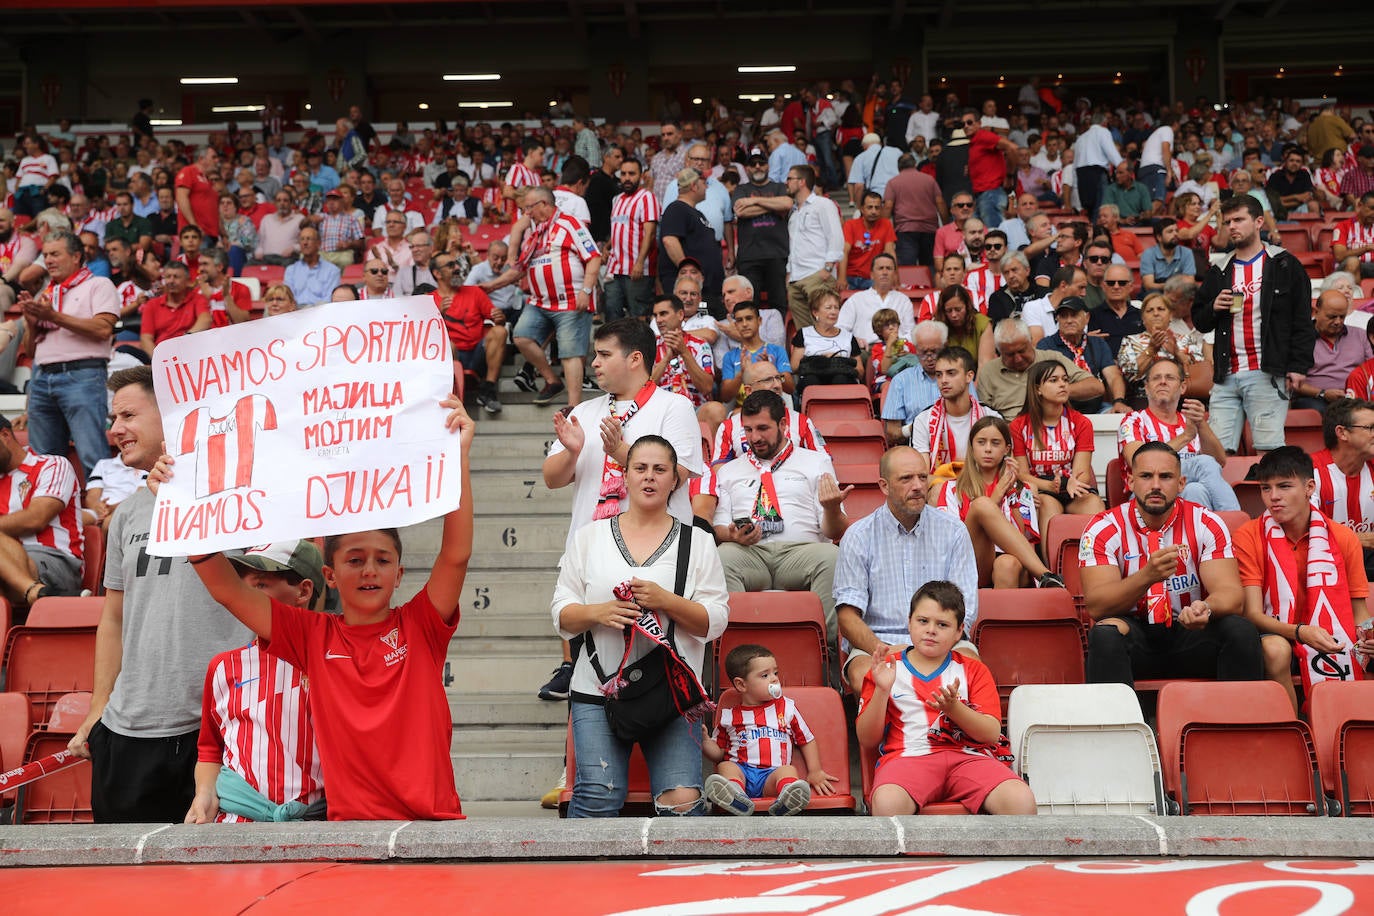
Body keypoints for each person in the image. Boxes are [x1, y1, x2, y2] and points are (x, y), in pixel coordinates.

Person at [171, 396, 475, 821]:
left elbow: (456, 555)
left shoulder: (421, 624)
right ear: (330, 575)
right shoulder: (312, 635)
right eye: (354, 560)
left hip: (432, 823)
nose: (370, 570)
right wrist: (183, 501)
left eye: (382, 560)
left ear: (400, 573)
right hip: (348, 833)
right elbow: (228, 590)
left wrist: (458, 457)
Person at [67, 367, 253, 822]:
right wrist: (98, 708)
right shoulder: (127, 515)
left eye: (128, 414)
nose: (114, 430)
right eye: (113, 418)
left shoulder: (241, 494)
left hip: (219, 730)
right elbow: (113, 618)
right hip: (126, 732)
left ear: (171, 414)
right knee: (122, 890)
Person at [554, 435, 727, 818]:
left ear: (674, 481)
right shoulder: (589, 537)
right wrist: (598, 612)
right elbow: (561, 612)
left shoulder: (697, 541)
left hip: (671, 692)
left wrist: (668, 602)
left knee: (682, 802)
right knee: (598, 796)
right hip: (597, 687)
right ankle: (578, 878)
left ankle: (678, 879)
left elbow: (715, 621)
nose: (649, 477)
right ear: (625, 477)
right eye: (641, 468)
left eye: (660, 470)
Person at [539, 319, 704, 702]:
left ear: (634, 359)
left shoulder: (674, 407)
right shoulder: (586, 409)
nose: (593, 363)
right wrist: (573, 451)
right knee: (588, 668)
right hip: (591, 550)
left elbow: (675, 477)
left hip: (656, 556)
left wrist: (621, 453)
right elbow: (551, 478)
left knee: (656, 674)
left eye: (603, 354)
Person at [1080, 441, 1260, 687]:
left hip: (1190, 631)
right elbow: (1097, 606)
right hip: (1134, 633)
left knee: (1240, 630)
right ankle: (1121, 725)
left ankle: (1237, 723)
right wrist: (1147, 576)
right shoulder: (1103, 527)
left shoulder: (1206, 522)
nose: (1155, 485)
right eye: (1146, 476)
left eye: (1165, 477)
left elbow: (1231, 596)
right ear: (1131, 482)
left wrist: (1205, 609)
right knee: (1104, 635)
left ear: (1181, 483)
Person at [855, 580, 1036, 817]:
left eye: (942, 624)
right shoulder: (886, 669)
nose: (931, 630)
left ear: (959, 631)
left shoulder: (974, 670)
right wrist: (881, 690)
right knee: (888, 803)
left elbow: (991, 733)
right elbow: (867, 739)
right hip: (908, 758)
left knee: (1020, 800)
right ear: (909, 622)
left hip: (967, 759)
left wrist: (954, 709)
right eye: (923, 621)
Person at [185, 541, 327, 824]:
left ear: (304, 590)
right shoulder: (223, 666)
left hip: (316, 827)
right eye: (242, 582)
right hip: (235, 826)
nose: (245, 594)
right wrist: (204, 793)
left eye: (261, 584)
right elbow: (211, 748)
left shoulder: (335, 658)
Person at [1234, 447, 1372, 712]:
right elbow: (1251, 613)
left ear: (1310, 487)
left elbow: (1359, 610)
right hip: (1274, 632)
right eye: (1266, 488)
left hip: (1330, 632)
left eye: (1284, 486)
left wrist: (1369, 635)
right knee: (1276, 650)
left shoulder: (1343, 537)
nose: (1274, 497)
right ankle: (1292, 731)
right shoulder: (1248, 535)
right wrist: (1300, 632)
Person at [834, 447, 980, 694]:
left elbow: (964, 609)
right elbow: (847, 617)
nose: (918, 486)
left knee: (972, 672)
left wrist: (932, 647)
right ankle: (888, 734)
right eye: (906, 478)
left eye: (923, 478)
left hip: (942, 640)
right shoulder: (858, 536)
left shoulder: (954, 531)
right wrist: (883, 648)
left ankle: (948, 734)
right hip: (880, 642)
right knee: (864, 676)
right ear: (884, 486)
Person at [712, 391, 847, 643]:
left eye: (763, 428)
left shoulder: (816, 462)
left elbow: (835, 533)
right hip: (750, 555)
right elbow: (718, 527)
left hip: (801, 553)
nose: (755, 437)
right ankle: (732, 650)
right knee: (721, 556)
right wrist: (732, 534)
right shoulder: (729, 471)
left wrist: (831, 508)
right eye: (748, 430)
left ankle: (824, 651)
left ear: (783, 424)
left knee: (832, 556)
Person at [1193, 196, 1314, 454]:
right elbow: (1199, 321)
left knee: (1268, 451)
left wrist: (1298, 366)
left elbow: (1302, 320)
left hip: (1267, 371)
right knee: (1215, 453)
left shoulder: (1285, 264)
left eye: (1239, 219)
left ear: (1259, 221)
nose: (1232, 226)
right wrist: (1214, 307)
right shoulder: (1219, 269)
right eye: (1227, 222)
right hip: (1225, 374)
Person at [485, 187, 600, 407]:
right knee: (521, 336)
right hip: (540, 302)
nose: (526, 213)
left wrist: (586, 290)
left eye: (529, 208)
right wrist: (491, 286)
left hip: (571, 301)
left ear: (544, 205)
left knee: (570, 353)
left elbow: (594, 257)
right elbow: (519, 268)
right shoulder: (536, 233)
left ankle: (573, 407)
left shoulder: (570, 224)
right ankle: (552, 380)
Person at [19, 230, 120, 479]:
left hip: (82, 375)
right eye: (45, 255)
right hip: (42, 378)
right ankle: (51, 516)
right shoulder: (46, 294)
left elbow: (103, 328)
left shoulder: (99, 285)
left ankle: (102, 514)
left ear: (76, 256)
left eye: (55, 254)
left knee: (91, 454)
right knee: (44, 461)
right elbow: (30, 350)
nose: (48, 260)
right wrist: (32, 323)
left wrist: (53, 317)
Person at [702, 643, 837, 817]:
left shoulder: (786, 708)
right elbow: (718, 752)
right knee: (725, 766)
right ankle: (735, 796)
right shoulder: (730, 716)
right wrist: (705, 741)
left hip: (772, 775)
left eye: (775, 673)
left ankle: (787, 799)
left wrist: (815, 771)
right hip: (741, 770)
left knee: (788, 771)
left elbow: (806, 739)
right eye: (765, 675)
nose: (774, 679)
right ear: (741, 685)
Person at [929, 416, 1062, 589]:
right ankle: (1046, 574)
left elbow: (1024, 538)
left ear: (1007, 449)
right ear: (972, 447)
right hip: (968, 564)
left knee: (1007, 564)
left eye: (996, 443)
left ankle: (1045, 580)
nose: (988, 449)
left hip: (1015, 566)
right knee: (982, 504)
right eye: (981, 442)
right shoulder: (950, 488)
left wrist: (1012, 494)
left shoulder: (1022, 490)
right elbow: (953, 542)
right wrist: (997, 496)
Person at [1119, 355, 1238, 513]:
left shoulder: (1190, 420)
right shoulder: (1134, 420)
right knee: (1202, 463)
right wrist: (1186, 437)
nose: (1163, 381)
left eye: (1170, 377)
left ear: (1182, 387)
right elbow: (1139, 461)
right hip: (1147, 495)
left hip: (1185, 492)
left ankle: (1198, 537)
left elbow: (1219, 462)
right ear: (1146, 387)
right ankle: (1235, 523)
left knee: (1195, 490)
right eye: (1156, 378)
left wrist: (1201, 424)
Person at [0, 412, 84, 607]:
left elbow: (36, 518)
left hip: (53, 561)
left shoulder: (52, 465)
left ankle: (32, 591)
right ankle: (36, 593)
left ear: (5, 435)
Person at [1011, 360, 1104, 535]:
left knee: (1095, 504)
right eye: (1053, 380)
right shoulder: (1019, 425)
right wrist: (1049, 485)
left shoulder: (1081, 423)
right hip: (1041, 490)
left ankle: (1096, 559)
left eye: (1065, 379)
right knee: (1048, 508)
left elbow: (1082, 473)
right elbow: (1021, 474)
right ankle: (1050, 563)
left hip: (1072, 487)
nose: (1062, 384)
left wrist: (1069, 484)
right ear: (1037, 388)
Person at [977, 318, 1102, 420]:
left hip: (1050, 430)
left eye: (1022, 351)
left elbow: (1096, 387)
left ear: (1031, 341)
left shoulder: (1051, 358)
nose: (1018, 359)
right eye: (1010, 354)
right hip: (1009, 434)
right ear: (999, 351)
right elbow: (983, 415)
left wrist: (1055, 391)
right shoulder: (989, 371)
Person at [433, 252, 506, 415]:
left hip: (477, 354)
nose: (457, 268)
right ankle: (451, 401)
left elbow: (496, 319)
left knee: (500, 331)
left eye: (456, 264)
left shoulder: (474, 292)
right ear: (437, 274)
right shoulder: (429, 299)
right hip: (450, 356)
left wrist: (500, 318)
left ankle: (488, 389)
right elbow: (423, 335)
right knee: (448, 345)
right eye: (450, 265)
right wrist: (438, 314)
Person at [1311, 399, 1374, 581]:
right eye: (1370, 427)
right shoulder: (1310, 472)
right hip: (1322, 560)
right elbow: (1300, 533)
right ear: (1342, 433)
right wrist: (1355, 539)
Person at [1038, 295, 1127, 414]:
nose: (1069, 320)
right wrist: (1086, 389)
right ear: (1057, 320)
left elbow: (1113, 376)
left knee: (1119, 415)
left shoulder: (1098, 343)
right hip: (1060, 408)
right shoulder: (1046, 345)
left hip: (1097, 407)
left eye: (1074, 315)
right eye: (1064, 316)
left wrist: (1119, 401)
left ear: (1087, 318)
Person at [731, 152, 792, 320]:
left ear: (768, 166)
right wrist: (773, 206)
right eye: (753, 164)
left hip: (777, 254)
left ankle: (777, 342)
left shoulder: (779, 187)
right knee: (750, 304)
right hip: (750, 256)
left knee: (778, 302)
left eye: (761, 163)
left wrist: (752, 201)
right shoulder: (741, 189)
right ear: (747, 168)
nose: (758, 166)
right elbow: (740, 211)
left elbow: (787, 204)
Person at [1116, 292, 1203, 406]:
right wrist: (1151, 350)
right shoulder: (1130, 341)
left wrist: (1177, 353)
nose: (1156, 313)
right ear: (1143, 317)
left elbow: (1200, 372)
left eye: (1161, 309)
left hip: (1183, 397)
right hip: (1143, 398)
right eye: (1150, 310)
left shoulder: (1186, 339)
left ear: (1170, 315)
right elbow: (1129, 375)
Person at [784, 165, 844, 330]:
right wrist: (789, 274)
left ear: (802, 182)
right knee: (805, 333)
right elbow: (793, 245)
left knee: (825, 328)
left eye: (790, 178)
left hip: (817, 275)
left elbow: (836, 236)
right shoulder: (794, 212)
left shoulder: (823, 204)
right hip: (796, 278)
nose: (786, 182)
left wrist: (827, 268)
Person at [605, 155, 660, 321]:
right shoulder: (616, 199)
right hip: (615, 267)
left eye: (631, 173)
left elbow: (650, 233)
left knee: (639, 315)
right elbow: (617, 228)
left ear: (641, 176)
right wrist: (606, 247)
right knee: (612, 311)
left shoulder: (647, 197)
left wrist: (639, 262)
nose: (627, 178)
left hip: (637, 269)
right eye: (623, 174)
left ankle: (640, 347)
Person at [651, 294, 719, 425]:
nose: (658, 320)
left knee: (716, 410)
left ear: (680, 315)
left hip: (695, 409)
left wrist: (684, 352)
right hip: (659, 411)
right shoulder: (650, 346)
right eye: (656, 315)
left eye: (663, 313)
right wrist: (666, 359)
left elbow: (707, 387)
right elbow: (643, 388)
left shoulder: (699, 345)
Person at [658, 168, 723, 304]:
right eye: (703, 183)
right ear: (694, 186)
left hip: (706, 289)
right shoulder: (677, 208)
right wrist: (687, 274)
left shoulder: (695, 213)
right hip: (689, 292)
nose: (706, 187)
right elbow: (670, 240)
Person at [881, 320, 950, 443]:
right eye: (923, 353)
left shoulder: (960, 377)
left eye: (935, 352)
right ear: (915, 350)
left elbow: (975, 418)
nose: (929, 358)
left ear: (945, 347)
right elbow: (891, 433)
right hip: (916, 447)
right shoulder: (901, 381)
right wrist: (913, 428)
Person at [717, 300, 793, 406]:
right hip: (743, 412)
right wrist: (742, 373)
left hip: (774, 409)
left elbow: (790, 388)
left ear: (759, 321)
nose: (744, 324)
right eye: (739, 320)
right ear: (735, 325)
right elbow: (725, 397)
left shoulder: (777, 351)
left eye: (749, 318)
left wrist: (772, 370)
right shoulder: (730, 356)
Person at [790, 286, 862, 397]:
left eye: (836, 308)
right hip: (812, 380)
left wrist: (839, 361)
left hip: (843, 382)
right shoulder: (804, 334)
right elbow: (794, 367)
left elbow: (860, 371)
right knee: (811, 380)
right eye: (828, 308)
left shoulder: (848, 337)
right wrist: (819, 360)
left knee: (840, 378)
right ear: (815, 312)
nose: (833, 312)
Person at [883, 153, 944, 267]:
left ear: (898, 167)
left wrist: (882, 227)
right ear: (915, 164)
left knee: (907, 268)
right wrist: (945, 225)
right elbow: (940, 202)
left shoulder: (893, 182)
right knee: (929, 266)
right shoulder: (929, 180)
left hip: (905, 229)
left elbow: (887, 206)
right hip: (929, 228)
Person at [960, 111, 1018, 229]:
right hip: (983, 195)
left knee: (994, 235)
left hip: (991, 194)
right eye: (963, 124)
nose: (966, 126)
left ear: (979, 124)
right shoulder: (975, 142)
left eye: (969, 122)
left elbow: (1012, 148)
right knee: (978, 236)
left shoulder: (983, 136)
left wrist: (1010, 175)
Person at [139, 260, 211, 354]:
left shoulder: (197, 299)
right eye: (168, 277)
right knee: (125, 349)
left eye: (176, 277)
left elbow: (205, 319)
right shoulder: (152, 304)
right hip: (161, 355)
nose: (171, 281)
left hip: (190, 351)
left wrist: (187, 337)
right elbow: (146, 338)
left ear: (188, 281)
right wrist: (159, 360)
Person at [838, 191, 897, 291]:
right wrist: (842, 279)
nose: (873, 211)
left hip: (873, 278)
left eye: (877, 208)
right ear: (862, 209)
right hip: (851, 277)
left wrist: (895, 280)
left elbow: (890, 253)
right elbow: (844, 252)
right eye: (869, 207)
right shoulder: (850, 225)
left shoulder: (886, 224)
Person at [283, 226, 342, 307]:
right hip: (295, 313)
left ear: (318, 243)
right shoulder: (291, 270)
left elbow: (329, 299)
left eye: (309, 239)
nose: (305, 243)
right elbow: (288, 296)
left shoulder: (332, 270)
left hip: (320, 313)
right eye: (302, 239)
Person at [175, 145, 220, 244]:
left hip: (211, 234)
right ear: (201, 159)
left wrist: (223, 234)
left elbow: (214, 209)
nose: (217, 160)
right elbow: (181, 198)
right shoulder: (188, 171)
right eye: (213, 157)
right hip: (195, 234)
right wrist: (194, 226)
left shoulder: (207, 180)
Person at [1139, 218, 1197, 295]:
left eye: (1176, 231)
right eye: (1170, 231)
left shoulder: (1186, 252)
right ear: (1159, 237)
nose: (1175, 234)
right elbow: (1149, 285)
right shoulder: (1148, 254)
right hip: (1156, 291)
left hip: (1179, 291)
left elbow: (1190, 281)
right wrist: (1171, 286)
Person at [1332, 191, 1374, 279]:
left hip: (1371, 267)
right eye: (1372, 208)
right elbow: (1339, 256)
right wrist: (1366, 248)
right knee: (1353, 262)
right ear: (1359, 205)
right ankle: (1352, 292)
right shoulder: (1342, 226)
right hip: (1346, 269)